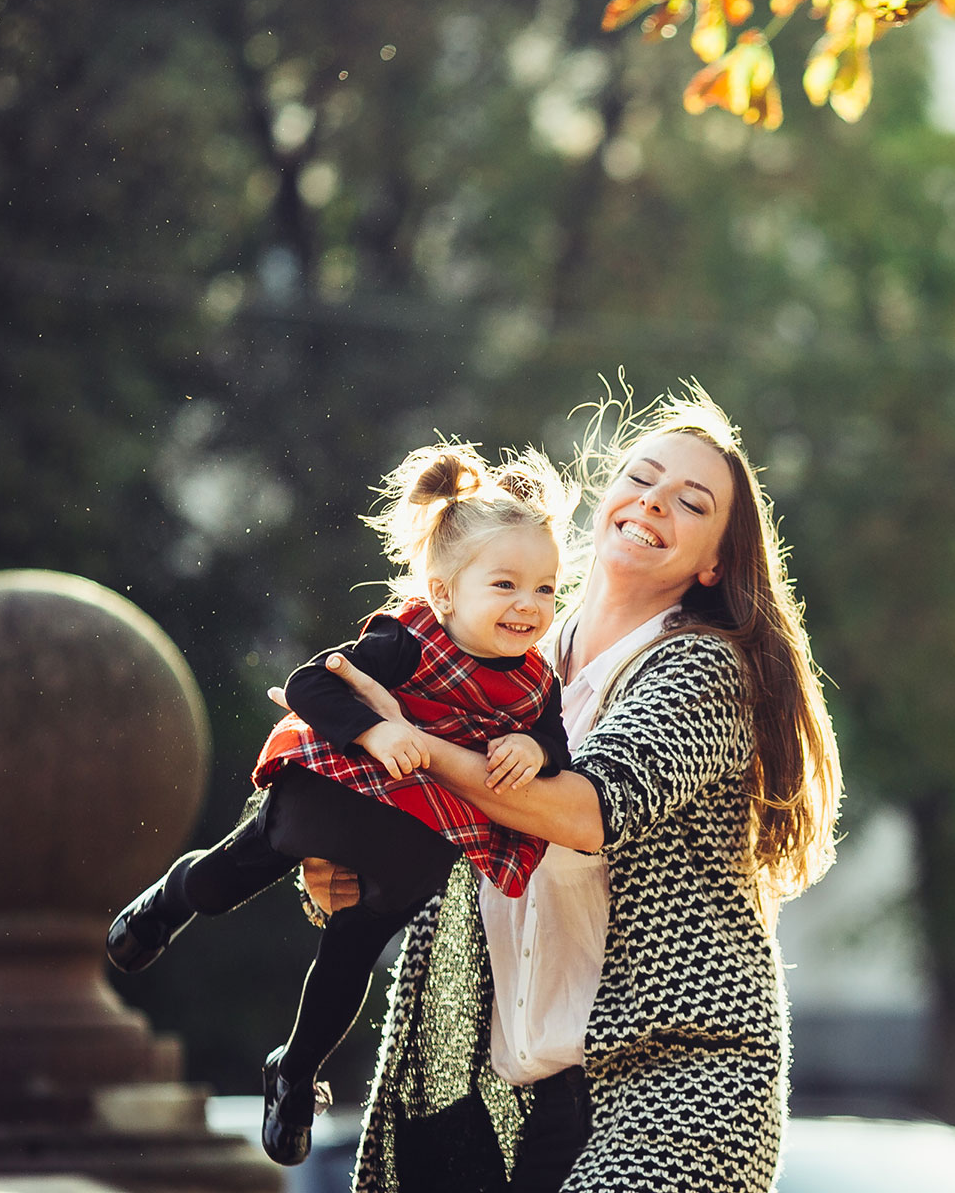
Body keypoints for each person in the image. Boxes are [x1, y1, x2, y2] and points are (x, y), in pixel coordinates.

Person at [296, 389, 841, 1193]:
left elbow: (585, 810)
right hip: (511, 1093)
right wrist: (340, 873)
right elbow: (421, 832)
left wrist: (414, 745)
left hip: (677, 1082)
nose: (654, 501)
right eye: (641, 478)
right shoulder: (505, 655)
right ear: (607, 499)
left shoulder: (704, 666)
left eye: (690, 502)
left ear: (713, 562)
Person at [106, 443, 577, 1167]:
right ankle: (169, 900)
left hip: (414, 838)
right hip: (336, 793)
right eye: (506, 584)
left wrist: (536, 752)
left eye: (545, 589)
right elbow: (307, 686)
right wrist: (382, 726)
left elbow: (557, 748)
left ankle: (295, 1074)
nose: (529, 605)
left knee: (349, 958)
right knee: (230, 877)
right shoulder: (406, 636)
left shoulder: (535, 683)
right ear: (446, 592)